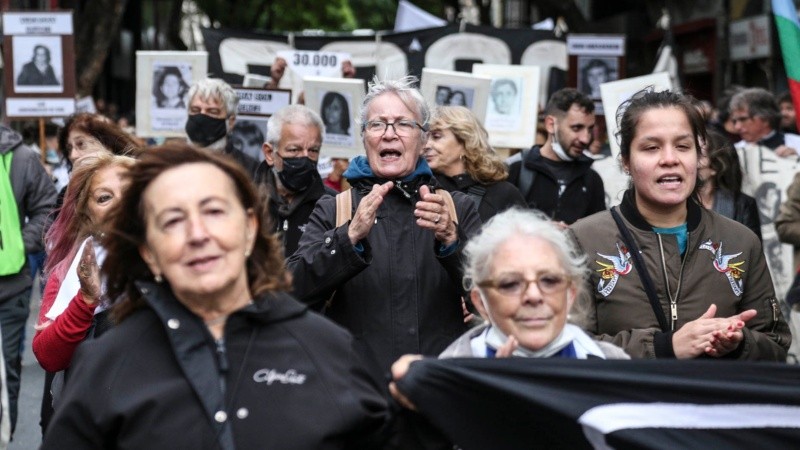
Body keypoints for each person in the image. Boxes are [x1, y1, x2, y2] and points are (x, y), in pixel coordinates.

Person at [41, 143, 391, 449]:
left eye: (213, 211)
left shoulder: (325, 350)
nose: (197, 233)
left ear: (250, 228)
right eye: (173, 220)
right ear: (148, 251)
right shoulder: (106, 365)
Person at [569, 89, 790, 361]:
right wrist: (664, 347)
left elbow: (776, 347)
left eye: (683, 146)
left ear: (698, 157)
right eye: (651, 147)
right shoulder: (583, 240)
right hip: (623, 402)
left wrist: (739, 342)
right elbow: (568, 346)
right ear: (626, 161)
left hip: (712, 401)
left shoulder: (740, 242)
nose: (670, 159)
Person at [287, 76, 483, 375]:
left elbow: (491, 298)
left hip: (438, 389)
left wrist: (452, 241)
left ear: (424, 138)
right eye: (377, 124)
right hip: (357, 394)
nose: (389, 135)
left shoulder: (457, 208)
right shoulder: (334, 209)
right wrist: (348, 238)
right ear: (364, 136)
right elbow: (290, 291)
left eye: (404, 124)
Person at [33, 154, 135, 433]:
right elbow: (48, 356)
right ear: (87, 214)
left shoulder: (184, 262)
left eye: (132, 191)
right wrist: (86, 300)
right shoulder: (71, 270)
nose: (121, 204)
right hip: (94, 421)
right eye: (104, 198)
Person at [0, 124, 58, 435]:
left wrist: (18, 244)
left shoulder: (21, 158)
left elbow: (47, 208)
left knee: (4, 371)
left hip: (8, 287)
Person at [507, 88, 605, 226]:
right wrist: (541, 230)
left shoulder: (592, 179)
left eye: (589, 129)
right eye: (577, 128)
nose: (585, 138)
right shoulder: (515, 168)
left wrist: (581, 233)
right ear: (551, 125)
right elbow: (493, 229)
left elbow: (598, 236)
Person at [254, 105, 335, 257]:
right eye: (294, 150)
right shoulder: (245, 201)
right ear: (270, 153)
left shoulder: (333, 205)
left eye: (313, 151)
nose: (304, 157)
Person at [424, 105, 525, 222]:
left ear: (466, 143)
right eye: (425, 137)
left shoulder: (503, 194)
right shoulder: (420, 186)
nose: (426, 145)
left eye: (436, 136)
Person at [185, 78, 259, 177]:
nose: (201, 117)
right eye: (195, 110)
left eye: (212, 112)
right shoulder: (171, 162)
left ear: (231, 122)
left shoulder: (249, 169)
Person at [697, 129, 761, 240]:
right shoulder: (674, 202)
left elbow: (752, 252)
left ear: (715, 167)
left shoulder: (742, 205)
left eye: (699, 155)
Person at [730, 87, 800, 157]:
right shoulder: (734, 151)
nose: (737, 127)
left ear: (765, 118)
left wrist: (795, 159)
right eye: (734, 121)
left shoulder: (797, 144)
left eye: (743, 119)